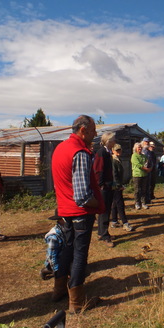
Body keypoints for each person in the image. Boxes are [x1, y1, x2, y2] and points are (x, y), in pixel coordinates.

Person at [51, 115, 104, 313]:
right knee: (80, 254)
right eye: (92, 130)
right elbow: (82, 195)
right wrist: (98, 203)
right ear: (83, 131)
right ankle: (77, 302)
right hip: (79, 211)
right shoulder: (79, 152)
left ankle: (58, 290)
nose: (95, 134)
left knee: (67, 250)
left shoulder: (60, 148)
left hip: (65, 210)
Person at [40, 209, 68, 302]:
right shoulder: (54, 236)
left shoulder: (68, 230)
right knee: (60, 275)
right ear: (61, 220)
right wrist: (56, 270)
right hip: (57, 260)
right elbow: (52, 256)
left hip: (65, 257)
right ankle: (58, 292)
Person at [93, 132, 116, 248]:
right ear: (108, 141)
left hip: (108, 185)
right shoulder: (102, 152)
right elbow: (98, 169)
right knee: (105, 210)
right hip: (104, 187)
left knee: (104, 210)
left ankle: (101, 233)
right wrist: (101, 184)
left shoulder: (107, 152)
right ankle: (104, 235)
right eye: (113, 140)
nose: (115, 141)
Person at [110, 144, 133, 231]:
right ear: (113, 151)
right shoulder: (113, 160)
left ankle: (114, 221)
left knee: (115, 203)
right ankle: (125, 223)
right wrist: (119, 186)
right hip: (115, 186)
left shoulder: (118, 159)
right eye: (117, 150)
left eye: (120, 150)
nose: (119, 151)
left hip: (117, 185)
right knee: (120, 204)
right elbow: (114, 175)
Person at [131, 142, 151, 210]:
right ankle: (137, 203)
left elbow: (147, 163)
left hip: (144, 174)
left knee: (144, 190)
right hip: (137, 175)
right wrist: (146, 169)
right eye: (138, 147)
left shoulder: (144, 156)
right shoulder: (134, 156)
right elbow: (138, 165)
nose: (140, 148)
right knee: (137, 190)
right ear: (135, 148)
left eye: (140, 147)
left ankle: (143, 203)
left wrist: (149, 168)